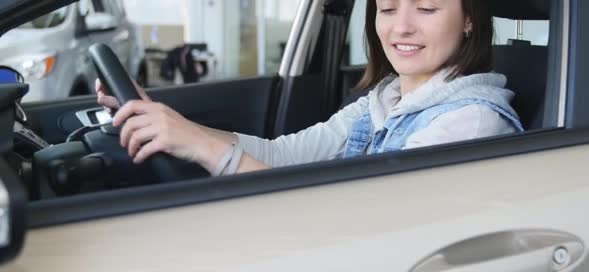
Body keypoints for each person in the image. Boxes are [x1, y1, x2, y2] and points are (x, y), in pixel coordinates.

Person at [97, 0, 523, 177]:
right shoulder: (386, 100)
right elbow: (285, 155)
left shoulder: (471, 120)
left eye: (427, 7)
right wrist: (175, 128)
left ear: (470, 17)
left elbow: (352, 219)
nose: (401, 26)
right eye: (387, 7)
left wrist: (205, 148)